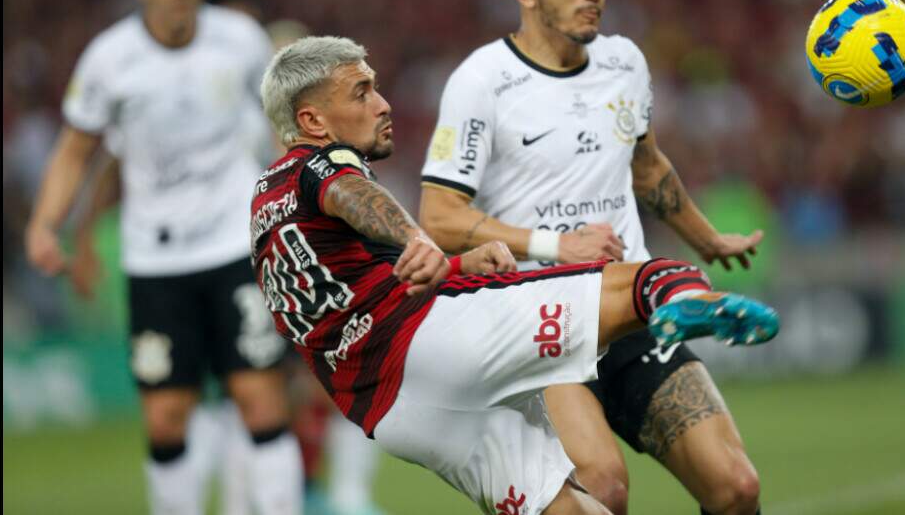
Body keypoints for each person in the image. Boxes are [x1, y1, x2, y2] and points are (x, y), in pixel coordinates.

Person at [251, 34, 778, 515]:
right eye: (361, 92)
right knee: (634, 279)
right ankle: (691, 299)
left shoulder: (264, 200)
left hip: (392, 412)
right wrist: (417, 240)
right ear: (314, 122)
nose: (382, 104)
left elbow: (352, 295)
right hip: (438, 343)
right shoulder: (322, 165)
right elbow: (355, 194)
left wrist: (455, 264)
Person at [418, 0, 766, 515]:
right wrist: (558, 245)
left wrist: (707, 240)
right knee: (603, 488)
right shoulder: (483, 81)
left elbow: (647, 166)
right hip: (539, 326)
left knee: (736, 487)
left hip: (627, 309)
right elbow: (440, 214)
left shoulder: (624, 63)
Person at [25, 0, 303, 515]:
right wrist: (46, 225)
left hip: (236, 244)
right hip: (155, 258)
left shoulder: (240, 39)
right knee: (167, 413)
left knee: (259, 398)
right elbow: (78, 149)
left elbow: (281, 125)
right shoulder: (109, 59)